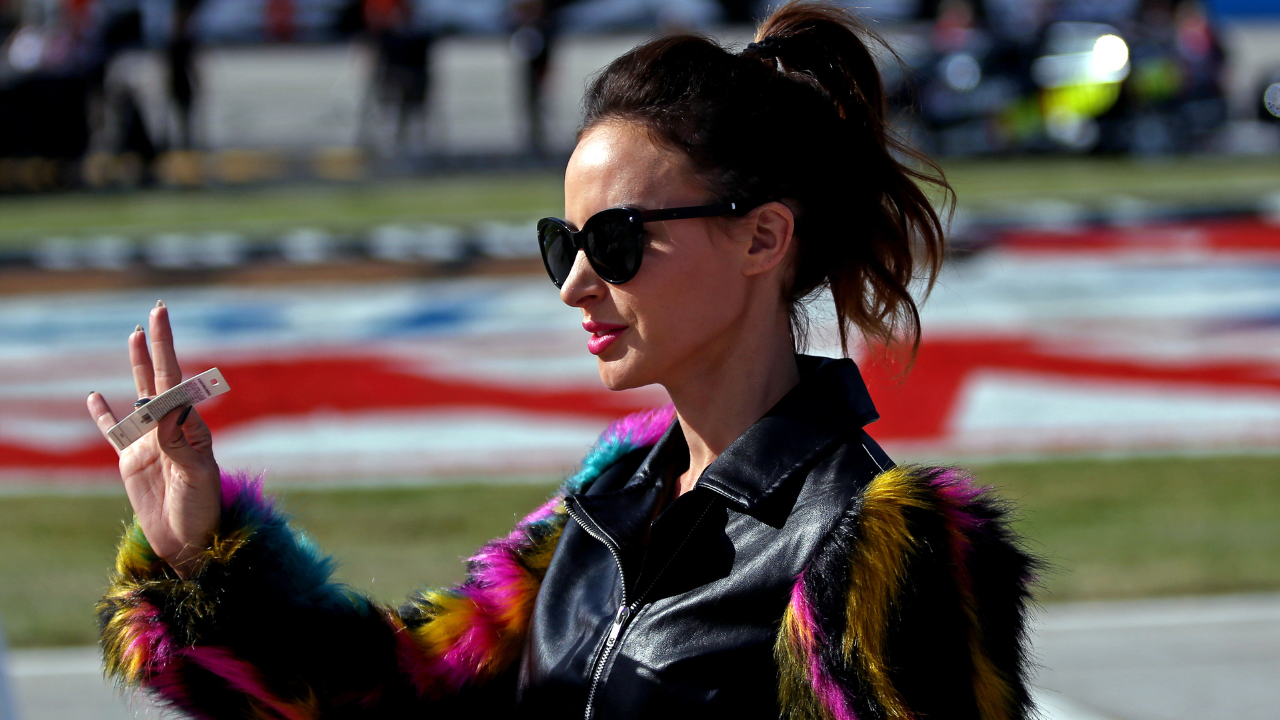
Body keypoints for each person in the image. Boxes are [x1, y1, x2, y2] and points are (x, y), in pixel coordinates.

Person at [87, 2, 1038, 718]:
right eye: (564, 243)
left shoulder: (874, 549)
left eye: (617, 240)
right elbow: (392, 694)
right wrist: (198, 551)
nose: (575, 283)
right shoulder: (609, 498)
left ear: (762, 240)